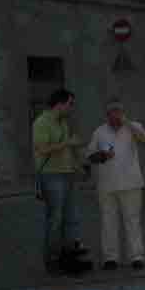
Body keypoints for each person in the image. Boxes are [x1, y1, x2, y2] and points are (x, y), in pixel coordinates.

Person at [85, 99, 145, 270]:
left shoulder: (132, 126)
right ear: (106, 115)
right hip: (106, 185)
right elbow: (90, 156)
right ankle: (110, 258)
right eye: (111, 112)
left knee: (132, 221)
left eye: (118, 111)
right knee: (108, 222)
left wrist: (127, 122)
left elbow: (144, 138)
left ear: (122, 112)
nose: (115, 115)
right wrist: (102, 156)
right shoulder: (99, 132)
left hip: (131, 183)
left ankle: (136, 256)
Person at [33, 88, 92, 276]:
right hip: (51, 175)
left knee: (70, 218)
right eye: (70, 104)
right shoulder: (41, 122)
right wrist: (68, 144)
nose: (71, 108)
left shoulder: (63, 123)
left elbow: (68, 151)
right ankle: (51, 260)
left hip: (67, 174)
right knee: (55, 218)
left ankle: (68, 258)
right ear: (59, 104)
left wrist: (79, 167)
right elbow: (42, 149)